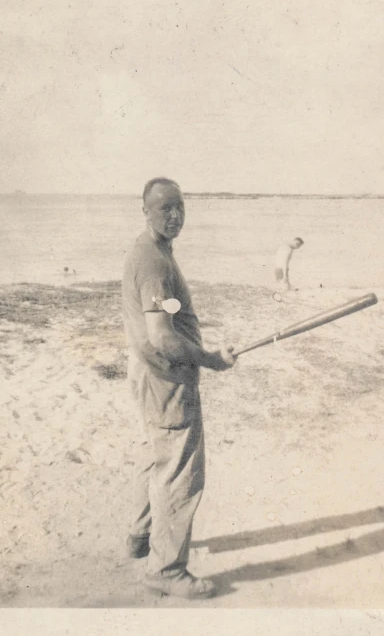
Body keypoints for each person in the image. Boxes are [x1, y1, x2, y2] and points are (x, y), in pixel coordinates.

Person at [121, 178, 236, 599]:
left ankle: (139, 537)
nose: (175, 215)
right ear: (146, 210)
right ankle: (166, 569)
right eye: (165, 207)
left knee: (158, 459)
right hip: (166, 378)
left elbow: (163, 323)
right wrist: (211, 359)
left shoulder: (151, 251)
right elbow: (162, 337)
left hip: (151, 375)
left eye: (180, 207)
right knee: (180, 473)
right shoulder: (153, 262)